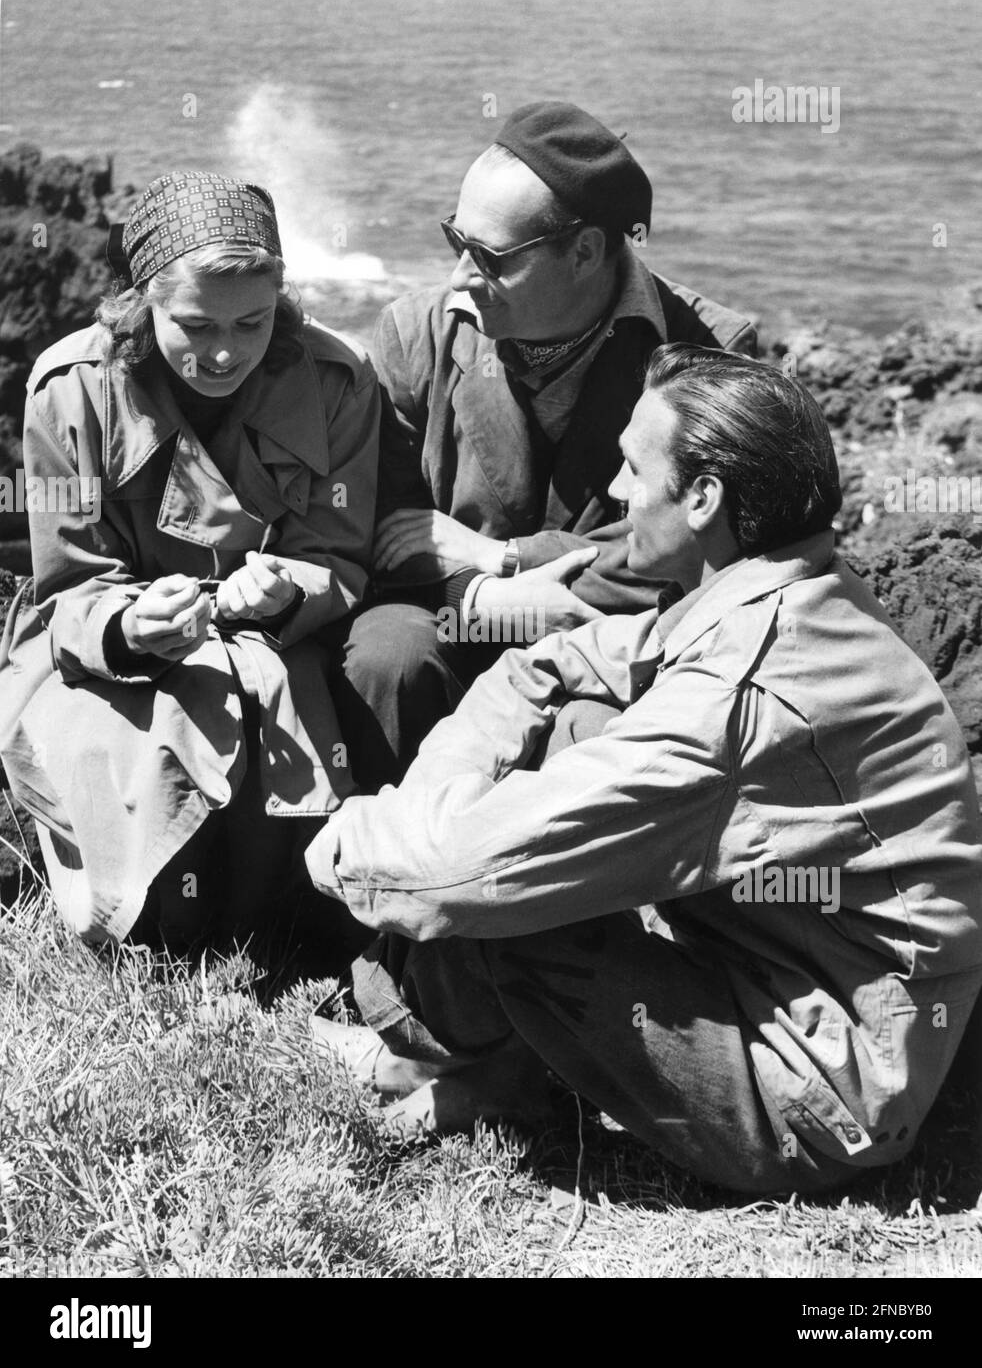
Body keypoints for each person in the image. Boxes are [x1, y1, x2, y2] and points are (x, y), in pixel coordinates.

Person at [306, 345, 982, 1195]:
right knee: (574, 732)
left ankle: (472, 1070)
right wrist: (438, 801)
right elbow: (551, 665)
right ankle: (460, 1060)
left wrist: (346, 840)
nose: (619, 496)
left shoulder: (742, 695)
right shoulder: (787, 587)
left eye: (633, 468)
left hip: (822, 1092)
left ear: (703, 499)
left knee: (513, 892)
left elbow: (455, 876)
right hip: (784, 957)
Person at [0, 172, 379, 958]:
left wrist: (283, 591)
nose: (225, 352)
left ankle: (278, 941)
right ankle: (162, 937)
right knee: (143, 770)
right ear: (142, 303)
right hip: (104, 655)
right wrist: (130, 624)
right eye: (195, 324)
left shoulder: (336, 382)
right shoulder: (70, 393)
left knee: (273, 737)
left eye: (253, 322)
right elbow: (68, 583)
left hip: (272, 640)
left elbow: (335, 555)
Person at [330, 101, 758, 791]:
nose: (460, 278)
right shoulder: (414, 332)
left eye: (490, 258)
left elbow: (698, 541)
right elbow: (378, 521)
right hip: (452, 613)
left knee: (592, 730)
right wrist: (485, 595)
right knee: (388, 657)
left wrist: (508, 557)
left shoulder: (710, 353)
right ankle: (384, 882)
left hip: (614, 633)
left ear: (586, 250)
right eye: (454, 240)